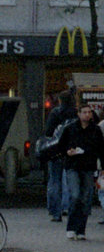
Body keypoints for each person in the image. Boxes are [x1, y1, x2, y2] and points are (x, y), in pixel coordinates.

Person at [52, 103, 103, 241]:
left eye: (89, 112)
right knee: (75, 195)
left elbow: (101, 150)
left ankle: (81, 230)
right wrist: (67, 152)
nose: (87, 115)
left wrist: (102, 167)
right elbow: (60, 146)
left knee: (86, 199)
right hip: (72, 166)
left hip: (88, 167)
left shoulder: (95, 130)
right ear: (79, 114)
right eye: (84, 112)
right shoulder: (70, 129)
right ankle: (71, 228)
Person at [43, 91, 76, 222]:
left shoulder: (55, 113)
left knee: (54, 180)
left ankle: (55, 212)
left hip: (55, 151)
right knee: (68, 179)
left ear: (60, 100)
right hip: (71, 150)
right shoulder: (75, 113)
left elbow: (48, 132)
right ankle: (67, 207)